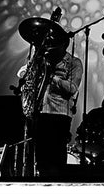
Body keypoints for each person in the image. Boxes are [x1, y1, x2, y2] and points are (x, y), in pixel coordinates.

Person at [17, 38, 83, 176]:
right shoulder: (44, 60)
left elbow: (72, 88)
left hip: (60, 114)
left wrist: (53, 77)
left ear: (64, 43)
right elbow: (21, 73)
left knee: (56, 159)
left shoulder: (74, 62)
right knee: (41, 159)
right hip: (40, 111)